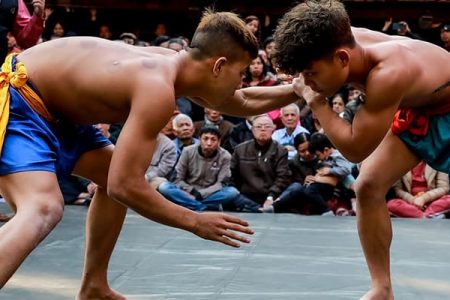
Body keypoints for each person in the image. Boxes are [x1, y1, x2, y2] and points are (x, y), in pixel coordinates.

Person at [0, 9, 301, 297]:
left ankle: (94, 287)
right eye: (241, 72)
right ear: (218, 66)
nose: (242, 81)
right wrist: (194, 221)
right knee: (43, 208)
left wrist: (301, 91)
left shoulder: (175, 65)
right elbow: (125, 186)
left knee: (107, 173)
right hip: (18, 101)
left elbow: (241, 101)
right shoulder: (156, 86)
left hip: (56, 109)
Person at [271, 1, 450, 299]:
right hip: (421, 111)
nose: (309, 82)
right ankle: (382, 288)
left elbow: (355, 149)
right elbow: (294, 88)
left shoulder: (388, 72)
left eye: (311, 74)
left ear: (342, 59)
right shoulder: (335, 40)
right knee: (367, 185)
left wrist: (316, 103)